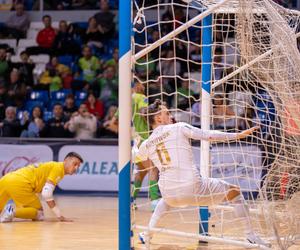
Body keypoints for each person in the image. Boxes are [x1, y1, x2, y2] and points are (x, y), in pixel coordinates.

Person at [137, 99, 270, 247]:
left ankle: (147, 234)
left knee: (165, 201)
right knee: (235, 192)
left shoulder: (146, 143)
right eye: (167, 113)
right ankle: (250, 235)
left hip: (168, 192)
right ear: (158, 118)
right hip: (193, 188)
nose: (171, 116)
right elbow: (208, 135)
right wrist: (237, 135)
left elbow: (138, 156)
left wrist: (138, 151)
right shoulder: (178, 127)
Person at [0, 152, 83, 223]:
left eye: (78, 166)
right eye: (74, 164)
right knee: (39, 213)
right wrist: (59, 215)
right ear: (66, 160)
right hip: (20, 183)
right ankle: (11, 211)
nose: (76, 168)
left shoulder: (52, 166)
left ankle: (9, 212)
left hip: (6, 179)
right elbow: (46, 193)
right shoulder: (59, 169)